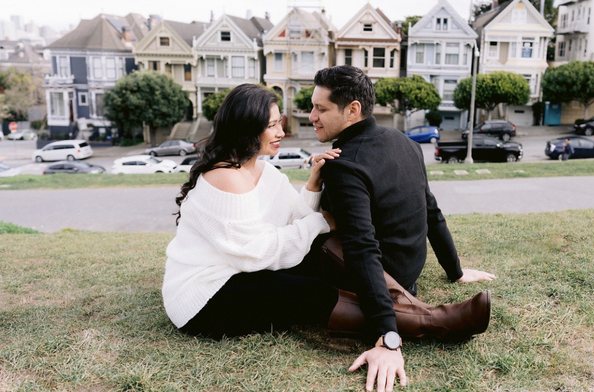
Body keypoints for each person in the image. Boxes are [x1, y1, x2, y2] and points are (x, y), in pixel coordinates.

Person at [309, 65, 497, 390]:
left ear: (353, 109)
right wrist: (454, 270)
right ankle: (422, 311)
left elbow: (362, 248)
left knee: (320, 245)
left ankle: (418, 317)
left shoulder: (345, 164)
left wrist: (387, 336)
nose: (311, 115)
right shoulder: (406, 142)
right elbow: (432, 211)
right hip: (410, 273)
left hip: (385, 280)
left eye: (321, 108)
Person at [162, 83, 342, 339]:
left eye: (279, 122)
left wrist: (313, 182)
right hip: (205, 294)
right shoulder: (225, 176)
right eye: (271, 126)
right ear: (245, 128)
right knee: (316, 294)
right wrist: (321, 222)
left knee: (321, 264)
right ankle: (404, 324)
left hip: (243, 271)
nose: (281, 132)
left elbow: (296, 216)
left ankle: (394, 302)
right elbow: (255, 253)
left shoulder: (267, 172)